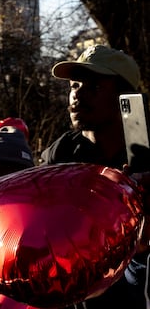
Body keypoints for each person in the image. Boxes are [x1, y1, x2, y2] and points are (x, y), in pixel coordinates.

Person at [40, 45, 146, 308]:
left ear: (125, 98)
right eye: (74, 86)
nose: (77, 95)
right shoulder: (59, 156)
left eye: (94, 87)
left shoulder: (145, 151)